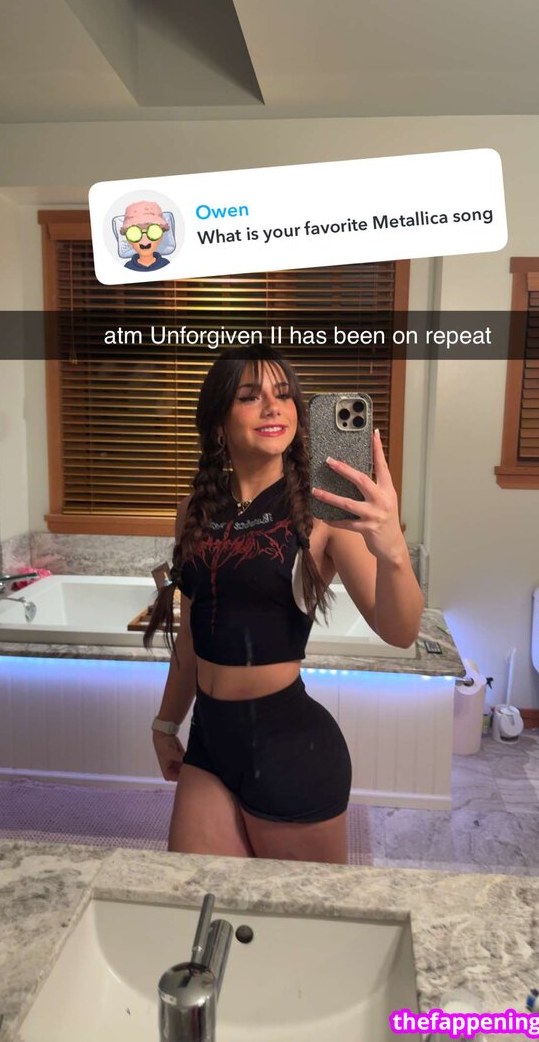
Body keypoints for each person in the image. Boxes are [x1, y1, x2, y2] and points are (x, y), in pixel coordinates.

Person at [145, 349, 424, 863]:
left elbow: (400, 630)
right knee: (196, 898)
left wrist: (392, 549)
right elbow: (192, 634)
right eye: (250, 397)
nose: (273, 407)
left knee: (301, 911)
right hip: (209, 742)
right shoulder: (193, 511)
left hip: (290, 749)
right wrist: (166, 723)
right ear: (219, 419)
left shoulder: (324, 511)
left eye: (284, 394)